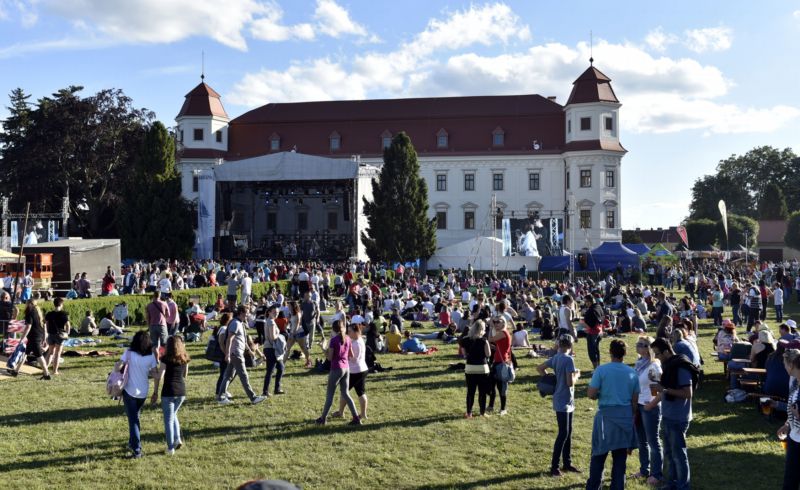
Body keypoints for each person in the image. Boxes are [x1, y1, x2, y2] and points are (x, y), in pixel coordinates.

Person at [586, 339, 639, 490]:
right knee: (620, 460)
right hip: (625, 418)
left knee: (598, 457)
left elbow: (591, 394)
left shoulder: (601, 370)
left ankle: (594, 487)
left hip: (605, 418)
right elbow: (635, 402)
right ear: (625, 353)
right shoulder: (632, 372)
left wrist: (599, 395)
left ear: (610, 352)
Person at [652, 337, 696, 490]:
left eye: (657, 354)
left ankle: (683, 486)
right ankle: (671, 483)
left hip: (678, 417)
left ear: (666, 352)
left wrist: (664, 390)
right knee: (669, 453)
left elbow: (687, 393)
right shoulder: (670, 365)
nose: (656, 357)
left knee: (678, 455)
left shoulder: (680, 367)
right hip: (668, 415)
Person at [538, 334, 581, 477]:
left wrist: (550, 379)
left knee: (568, 432)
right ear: (570, 345)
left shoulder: (556, 357)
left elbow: (540, 368)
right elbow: (570, 382)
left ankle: (567, 463)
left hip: (562, 398)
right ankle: (554, 467)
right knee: (563, 433)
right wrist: (577, 375)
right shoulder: (568, 359)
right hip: (564, 399)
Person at [217, 305, 266, 406]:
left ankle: (221, 397)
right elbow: (230, 339)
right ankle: (253, 398)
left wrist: (249, 350)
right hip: (236, 354)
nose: (248, 315)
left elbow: (242, 340)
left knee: (228, 376)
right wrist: (228, 354)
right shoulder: (235, 323)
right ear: (241, 313)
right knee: (244, 376)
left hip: (235, 353)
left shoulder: (239, 323)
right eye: (246, 313)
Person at [120, 331, 158, 458]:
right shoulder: (151, 356)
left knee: (133, 420)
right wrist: (155, 392)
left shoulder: (128, 353)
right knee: (135, 417)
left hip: (129, 391)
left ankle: (137, 449)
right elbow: (155, 375)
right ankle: (132, 442)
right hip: (143, 392)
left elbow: (119, 365)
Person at [316, 320, 360, 426]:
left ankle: (323, 419)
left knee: (330, 395)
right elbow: (351, 355)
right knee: (346, 394)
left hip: (336, 368)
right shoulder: (348, 338)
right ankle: (356, 418)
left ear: (333, 329)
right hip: (346, 368)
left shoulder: (334, 340)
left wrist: (323, 348)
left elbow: (329, 358)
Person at [633, 336, 663, 486]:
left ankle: (656, 474)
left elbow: (660, 389)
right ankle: (644, 470)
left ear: (648, 348)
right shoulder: (639, 363)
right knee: (641, 441)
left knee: (653, 441)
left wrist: (651, 404)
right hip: (639, 405)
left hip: (649, 407)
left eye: (641, 344)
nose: (637, 346)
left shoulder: (654, 366)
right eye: (638, 344)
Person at [152, 336, 189, 455]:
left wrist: (152, 372)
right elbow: (185, 375)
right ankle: (177, 439)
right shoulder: (185, 357)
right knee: (173, 415)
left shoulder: (165, 359)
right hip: (181, 392)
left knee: (168, 420)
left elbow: (160, 376)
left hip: (168, 392)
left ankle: (170, 447)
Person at [332, 323, 369, 420]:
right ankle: (363, 414)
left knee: (345, 392)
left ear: (356, 332)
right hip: (362, 369)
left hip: (355, 371)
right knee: (361, 392)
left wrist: (344, 355)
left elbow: (353, 359)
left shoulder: (356, 344)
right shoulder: (359, 339)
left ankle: (341, 412)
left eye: (350, 331)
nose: (348, 333)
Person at [9, 296, 51, 379]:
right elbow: (44, 326)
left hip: (34, 337)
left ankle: (46, 374)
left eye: (27, 304)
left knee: (39, 355)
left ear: (30, 304)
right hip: (37, 336)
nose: (26, 305)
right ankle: (16, 371)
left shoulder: (30, 313)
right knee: (25, 354)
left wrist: (22, 338)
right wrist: (44, 338)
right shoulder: (38, 311)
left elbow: (28, 327)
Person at [778, 349, 800, 489]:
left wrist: (798, 415)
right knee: (790, 480)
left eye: (785, 364)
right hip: (794, 437)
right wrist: (787, 424)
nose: (784, 367)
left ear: (791, 365)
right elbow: (792, 407)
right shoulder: (794, 381)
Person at [460, 319, 491, 418]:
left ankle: (469, 412)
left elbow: (464, 354)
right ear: (482, 329)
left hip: (470, 368)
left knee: (470, 392)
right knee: (482, 392)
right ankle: (482, 412)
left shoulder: (465, 340)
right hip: (482, 368)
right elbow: (488, 354)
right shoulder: (484, 340)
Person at [488, 316, 512, 415]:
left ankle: (503, 409)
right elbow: (500, 346)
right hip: (498, 362)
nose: (496, 323)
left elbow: (490, 339)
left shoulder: (503, 333)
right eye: (495, 322)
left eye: (498, 322)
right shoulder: (502, 333)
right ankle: (491, 406)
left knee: (501, 387)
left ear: (504, 323)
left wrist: (491, 328)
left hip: (501, 363)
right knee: (492, 385)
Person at [262, 305, 286, 397]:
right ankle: (266, 391)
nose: (276, 314)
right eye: (274, 312)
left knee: (280, 368)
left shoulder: (268, 320)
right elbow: (273, 337)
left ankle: (276, 389)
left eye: (277, 312)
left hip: (269, 348)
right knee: (271, 370)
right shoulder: (271, 322)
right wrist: (281, 336)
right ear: (269, 312)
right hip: (271, 349)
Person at [44, 297, 70, 375]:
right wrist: (67, 334)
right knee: (57, 354)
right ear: (61, 304)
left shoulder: (49, 314)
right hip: (60, 335)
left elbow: (46, 324)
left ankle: (45, 370)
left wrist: (47, 332)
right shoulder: (63, 314)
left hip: (50, 334)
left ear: (54, 304)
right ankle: (55, 371)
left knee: (50, 353)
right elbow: (68, 325)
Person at [583, 295, 605, 369]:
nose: (585, 303)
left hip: (592, 332)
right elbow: (603, 317)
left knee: (591, 350)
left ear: (589, 302)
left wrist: (582, 322)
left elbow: (589, 325)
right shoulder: (598, 306)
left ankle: (596, 368)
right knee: (596, 349)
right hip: (599, 331)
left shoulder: (591, 310)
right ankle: (598, 366)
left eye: (586, 301)